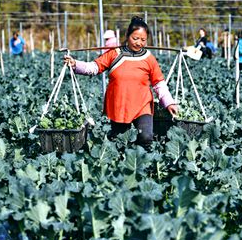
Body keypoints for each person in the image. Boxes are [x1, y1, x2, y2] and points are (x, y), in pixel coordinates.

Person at [64, 16, 178, 149]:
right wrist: (75, 64)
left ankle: (144, 165)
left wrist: (169, 102)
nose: (139, 43)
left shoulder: (149, 58)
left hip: (142, 105)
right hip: (119, 106)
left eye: (143, 40)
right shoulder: (114, 54)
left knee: (146, 137)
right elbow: (94, 67)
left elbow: (159, 83)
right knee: (119, 142)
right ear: (127, 35)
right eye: (135, 38)